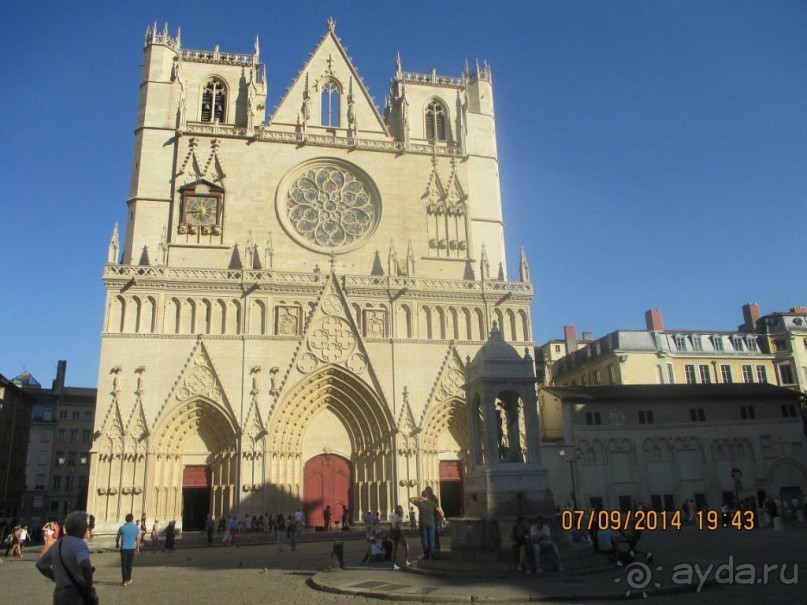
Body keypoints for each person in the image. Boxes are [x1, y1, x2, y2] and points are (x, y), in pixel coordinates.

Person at [36, 511, 96, 605]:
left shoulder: (58, 543)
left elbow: (40, 565)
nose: (86, 528)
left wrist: (55, 578)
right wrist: (88, 586)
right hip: (75, 593)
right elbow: (85, 565)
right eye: (85, 526)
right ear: (81, 527)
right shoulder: (79, 544)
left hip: (59, 593)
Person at [410, 487, 444, 560]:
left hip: (423, 524)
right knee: (431, 539)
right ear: (428, 496)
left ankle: (426, 555)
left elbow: (411, 499)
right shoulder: (432, 503)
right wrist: (442, 518)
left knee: (425, 540)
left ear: (422, 496)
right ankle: (432, 554)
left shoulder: (420, 503)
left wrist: (419, 497)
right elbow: (440, 511)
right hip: (431, 523)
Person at [116, 512, 141, 586]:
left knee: (124, 564)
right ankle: (129, 578)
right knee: (129, 564)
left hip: (124, 549)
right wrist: (137, 547)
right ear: (132, 519)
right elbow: (138, 538)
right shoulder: (136, 527)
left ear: (125, 519)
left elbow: (117, 538)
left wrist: (117, 544)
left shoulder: (122, 528)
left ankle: (124, 581)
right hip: (131, 548)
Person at [389, 504, 411, 570]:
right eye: (401, 510)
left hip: (394, 533)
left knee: (395, 549)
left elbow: (393, 525)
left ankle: (393, 565)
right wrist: (403, 532)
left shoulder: (394, 516)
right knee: (406, 546)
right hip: (398, 534)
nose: (402, 511)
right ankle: (406, 561)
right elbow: (397, 526)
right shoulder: (398, 517)